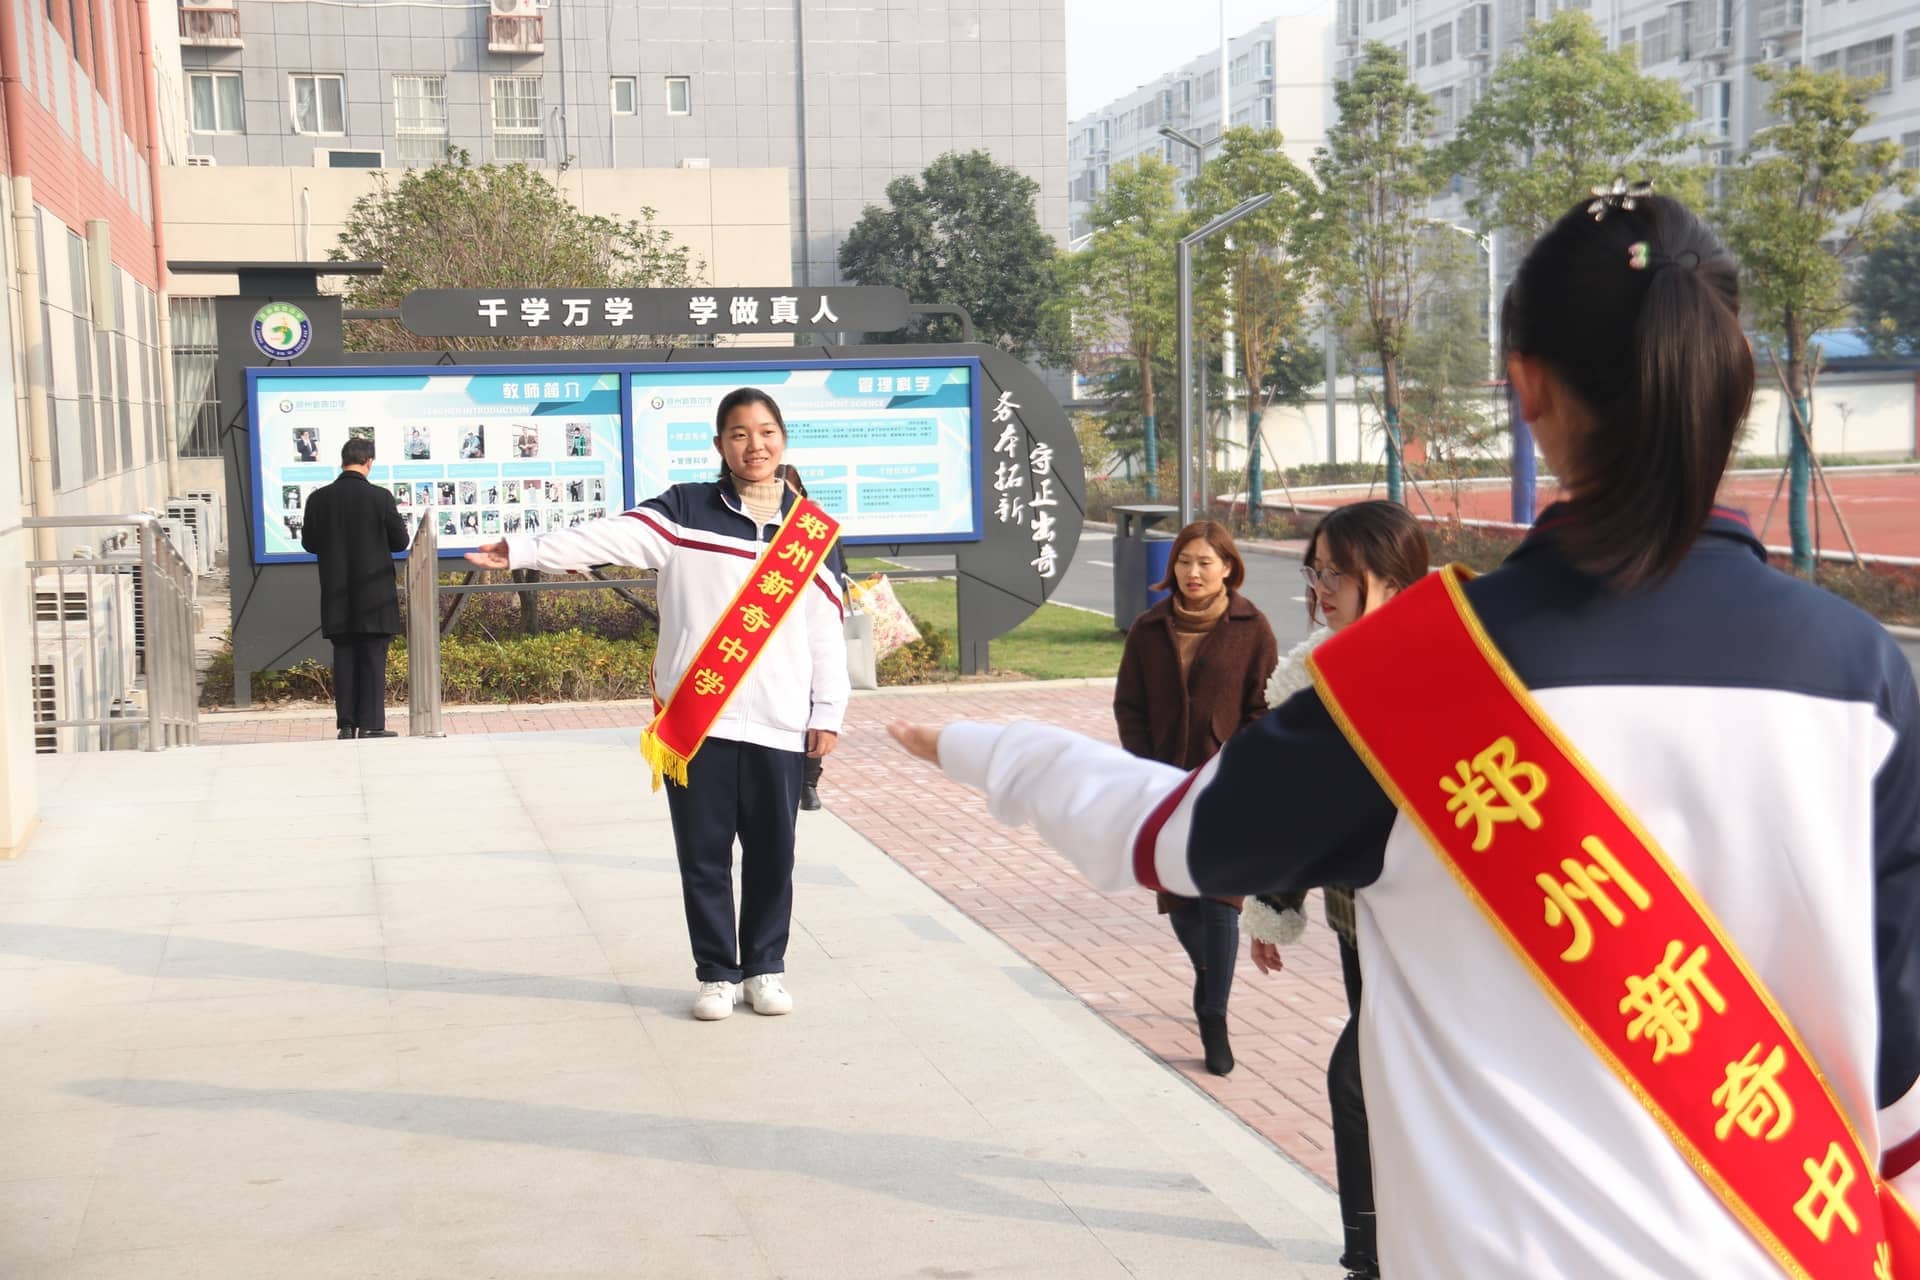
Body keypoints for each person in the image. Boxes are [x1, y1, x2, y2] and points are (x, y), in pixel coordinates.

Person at [887, 193, 1920, 1277]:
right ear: (1738, 373)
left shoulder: (1414, 676)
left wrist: (987, 747)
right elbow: (1894, 1048)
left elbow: (1170, 835)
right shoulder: (1858, 672)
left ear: (1525, 385)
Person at [467, 388, 849, 1023]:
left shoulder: (814, 535)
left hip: (781, 720)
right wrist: (524, 550)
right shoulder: (684, 511)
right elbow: (604, 536)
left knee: (773, 852)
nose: (754, 445)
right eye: (738, 434)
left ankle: (764, 968)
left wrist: (827, 712)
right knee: (702, 852)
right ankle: (716, 975)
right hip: (699, 721)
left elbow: (824, 635)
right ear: (720, 444)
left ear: (784, 438)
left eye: (765, 432)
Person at [1242, 500, 1428, 1280]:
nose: (1319, 587)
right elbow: (1297, 804)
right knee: (1378, 1084)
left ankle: (1375, 1256)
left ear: (1386, 573)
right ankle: (1380, 1252)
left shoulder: (1438, 662)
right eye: (1314, 571)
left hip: (1436, 927)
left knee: (1358, 1082)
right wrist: (1275, 901)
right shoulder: (1318, 672)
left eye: (1335, 574)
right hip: (1361, 920)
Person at [1113, 520, 1277, 1077]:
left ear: (1228, 566)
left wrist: (1242, 759)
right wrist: (1143, 766)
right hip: (1164, 785)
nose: (1194, 572)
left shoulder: (1251, 627)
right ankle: (1210, 976)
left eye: (1206, 562)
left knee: (1221, 898)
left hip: (1227, 786)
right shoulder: (1148, 628)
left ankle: (1213, 1012)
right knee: (1180, 899)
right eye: (1185, 561)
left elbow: (1264, 704)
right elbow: (1129, 706)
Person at [301, 436, 410, 740]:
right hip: (374, 594)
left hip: (337, 594)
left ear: (342, 460)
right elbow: (400, 542)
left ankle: (347, 724)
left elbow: (309, 542)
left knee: (345, 658)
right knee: (373, 660)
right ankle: (372, 724)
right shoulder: (381, 498)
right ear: (369, 462)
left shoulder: (319, 498)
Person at [781, 464, 847, 814]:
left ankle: (809, 782)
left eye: (788, 490)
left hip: (810, 630)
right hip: (772, 636)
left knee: (814, 708)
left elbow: (839, 572)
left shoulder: (817, 530)